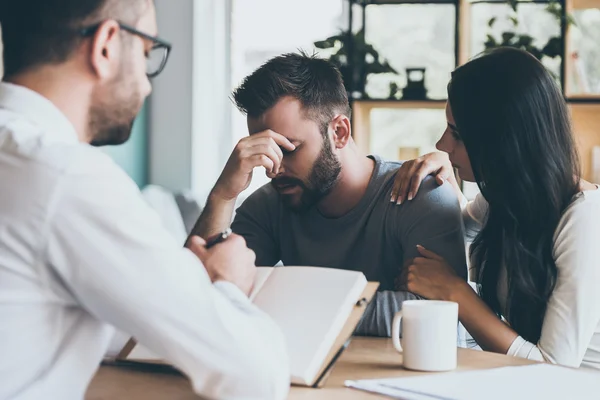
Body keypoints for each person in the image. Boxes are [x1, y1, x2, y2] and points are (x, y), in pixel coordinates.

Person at [0, 1, 290, 399]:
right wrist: (227, 286)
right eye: (145, 53)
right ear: (106, 45)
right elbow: (254, 377)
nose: (148, 84)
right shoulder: (66, 177)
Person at [192, 52, 468, 336]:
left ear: (339, 131)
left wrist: (286, 298)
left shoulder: (421, 194)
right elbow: (197, 299)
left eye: (288, 149)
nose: (273, 170)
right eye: (266, 150)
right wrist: (223, 194)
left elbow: (440, 318)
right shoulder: (270, 203)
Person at [391, 47, 600, 369]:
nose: (442, 145)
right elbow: (456, 232)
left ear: (505, 141)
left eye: (457, 134)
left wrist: (455, 293)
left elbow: (555, 368)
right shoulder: (507, 199)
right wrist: (445, 183)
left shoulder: (584, 220)